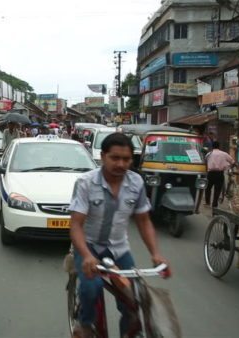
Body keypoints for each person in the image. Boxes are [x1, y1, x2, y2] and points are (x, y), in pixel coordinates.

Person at [69, 133, 170, 338]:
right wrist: (87, 255)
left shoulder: (136, 183)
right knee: (91, 288)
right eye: (115, 158)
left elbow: (143, 221)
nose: (121, 164)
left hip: (119, 248)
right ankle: (85, 323)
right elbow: (76, 225)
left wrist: (155, 254)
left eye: (126, 159)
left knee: (134, 299)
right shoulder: (85, 183)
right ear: (103, 156)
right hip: (89, 247)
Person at [205, 141, 234, 208]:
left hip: (210, 174)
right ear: (219, 146)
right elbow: (232, 161)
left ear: (212, 146)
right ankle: (214, 204)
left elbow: (205, 162)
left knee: (208, 188)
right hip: (219, 174)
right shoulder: (224, 154)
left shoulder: (209, 154)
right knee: (217, 190)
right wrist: (230, 166)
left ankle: (207, 202)